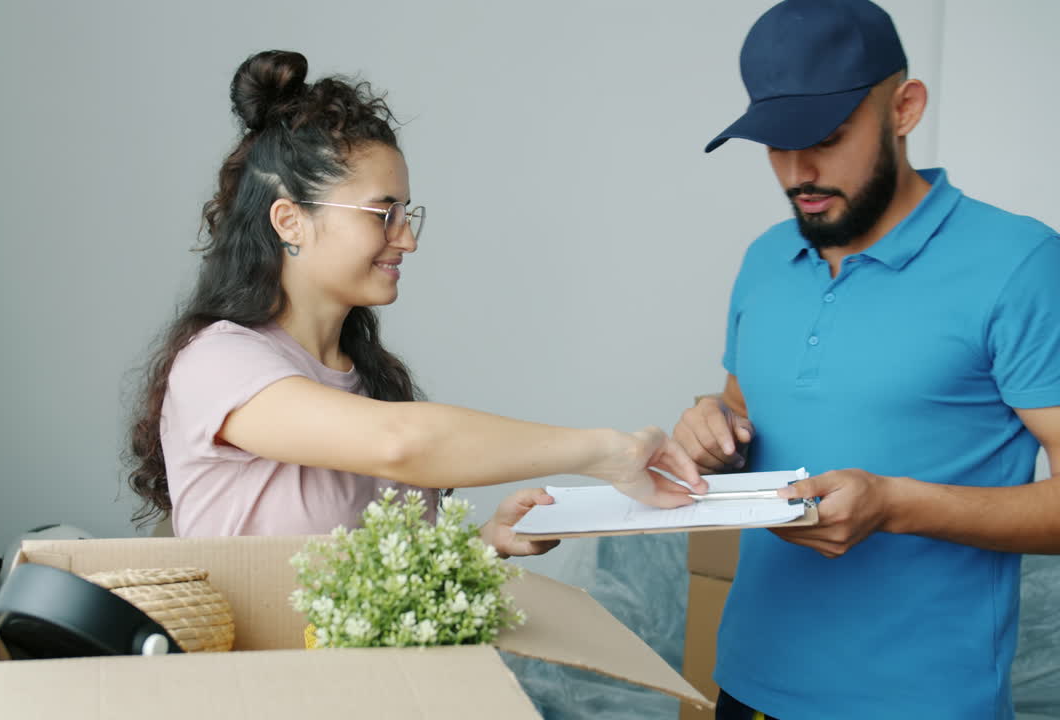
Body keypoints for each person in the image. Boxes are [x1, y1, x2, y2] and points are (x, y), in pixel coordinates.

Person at [127, 50, 707, 558]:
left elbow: (370, 575)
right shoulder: (217, 364)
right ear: (290, 220)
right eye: (384, 214)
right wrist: (607, 452)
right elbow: (399, 443)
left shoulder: (372, 380)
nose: (407, 238)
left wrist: (483, 543)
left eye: (408, 214)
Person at [672, 1, 1060, 717]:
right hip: (747, 684)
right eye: (775, 145)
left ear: (905, 108)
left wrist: (896, 505)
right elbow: (748, 412)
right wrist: (713, 429)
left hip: (920, 703)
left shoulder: (1021, 264)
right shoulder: (766, 259)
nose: (798, 172)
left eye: (825, 137)